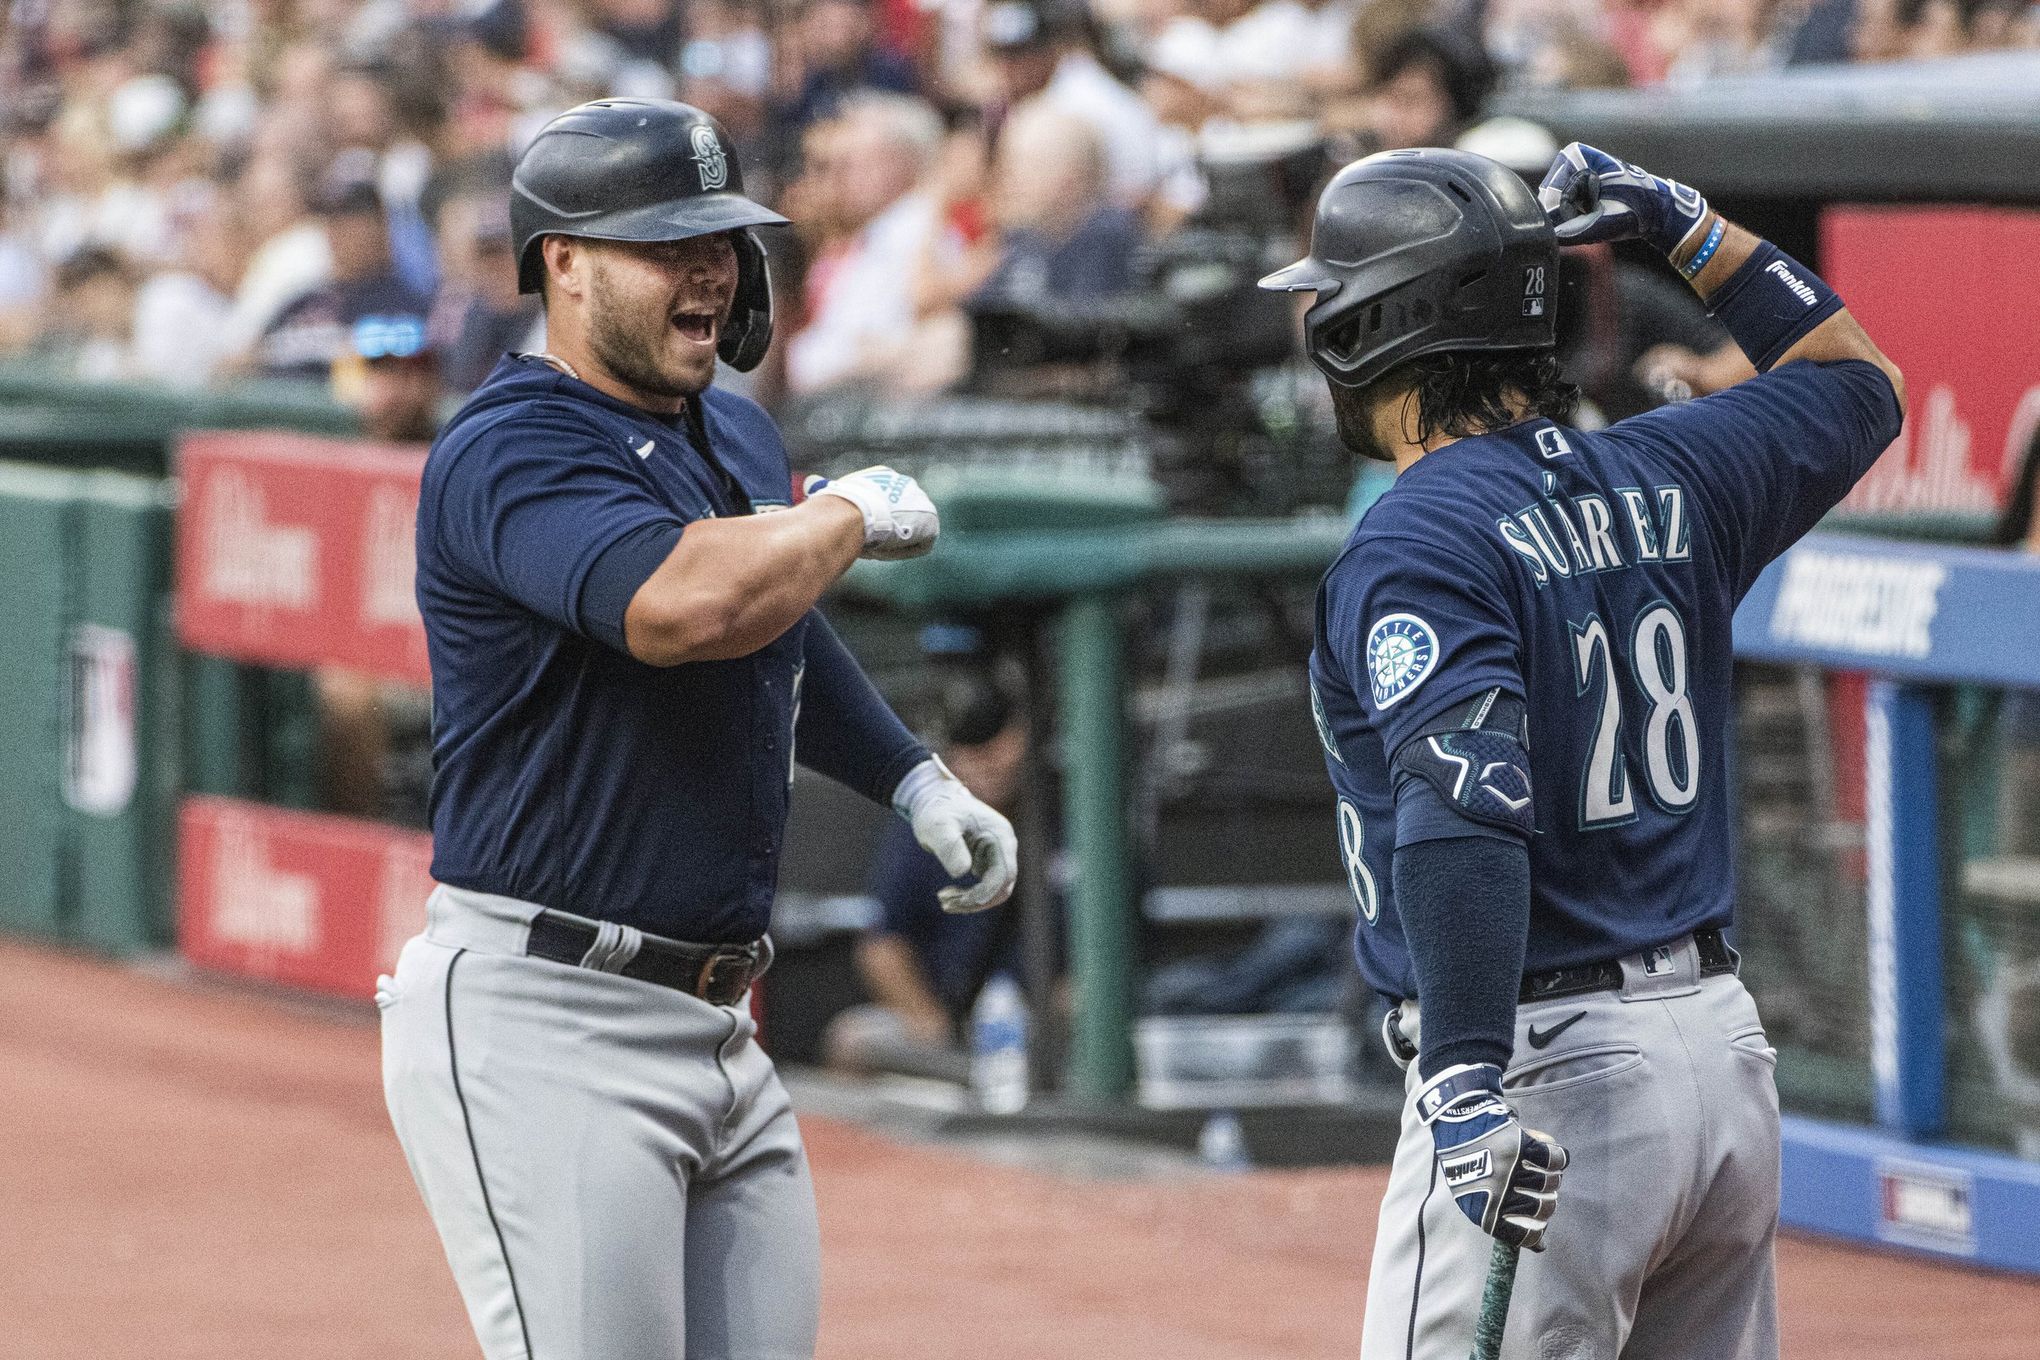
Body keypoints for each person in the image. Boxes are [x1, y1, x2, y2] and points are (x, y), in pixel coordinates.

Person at [377, 98, 1018, 1360]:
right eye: (666, 244)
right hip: (547, 1016)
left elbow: (768, 622)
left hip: (721, 1017)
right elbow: (682, 603)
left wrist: (910, 777)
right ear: (561, 261)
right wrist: (843, 516)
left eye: (719, 239)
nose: (710, 269)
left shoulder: (728, 422)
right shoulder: (506, 447)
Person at [1261, 142, 1903, 1357]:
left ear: (1373, 330)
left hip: (1543, 1067)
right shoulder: (1669, 464)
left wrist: (1458, 1074)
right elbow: (1857, 378)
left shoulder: (1418, 536)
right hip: (1721, 1057)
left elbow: (1469, 800)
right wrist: (1688, 227)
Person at [824, 674, 1027, 1084]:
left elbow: (1119, 949)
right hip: (946, 1031)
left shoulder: (1077, 811)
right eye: (968, 745)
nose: (981, 759)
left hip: (1037, 1035)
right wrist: (926, 1017)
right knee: (850, 1040)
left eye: (995, 741)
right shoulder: (935, 814)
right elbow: (881, 945)